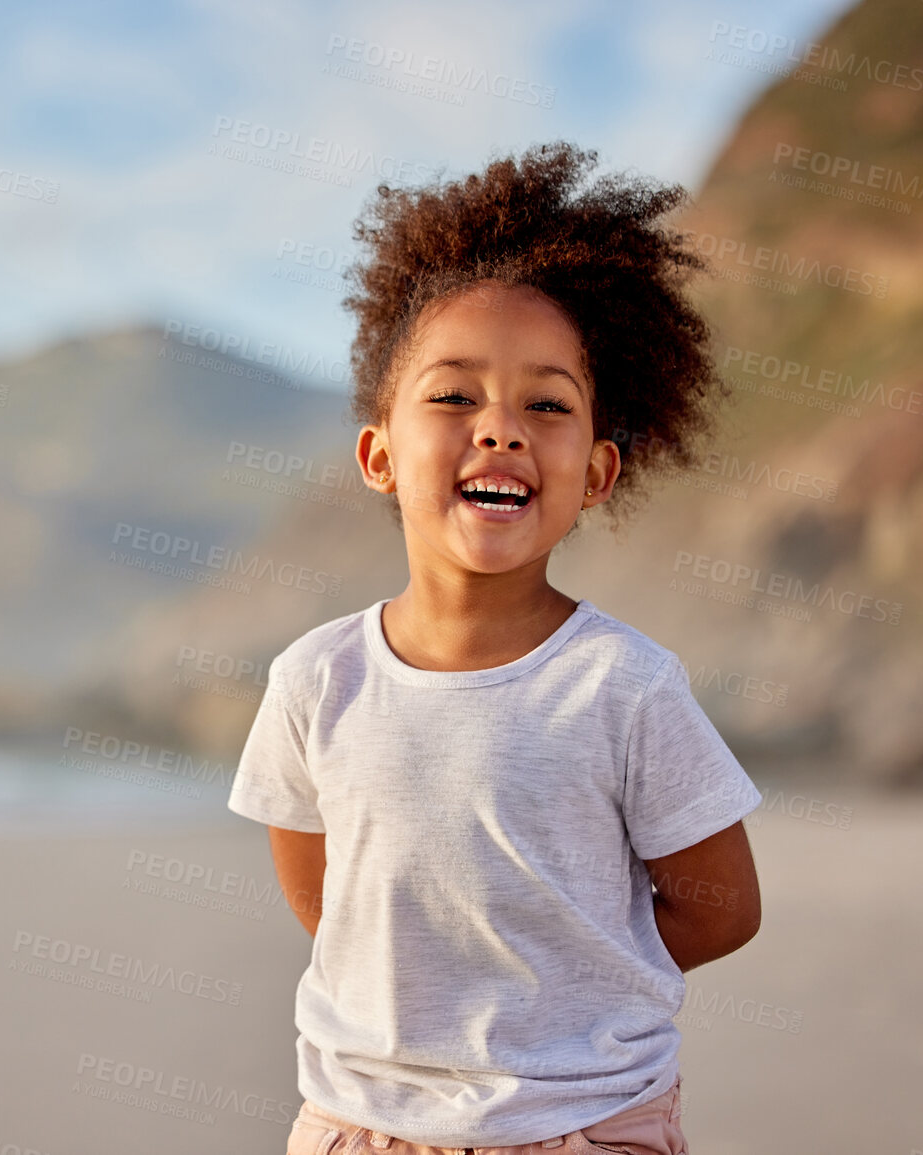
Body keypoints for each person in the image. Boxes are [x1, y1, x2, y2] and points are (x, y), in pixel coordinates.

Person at [226, 141, 764, 1155]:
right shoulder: (315, 681)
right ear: (380, 454)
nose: (501, 431)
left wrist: (575, 980)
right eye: (453, 395)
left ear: (598, 472)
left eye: (548, 405)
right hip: (358, 1126)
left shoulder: (624, 686)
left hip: (586, 1124)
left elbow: (722, 908)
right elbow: (328, 898)